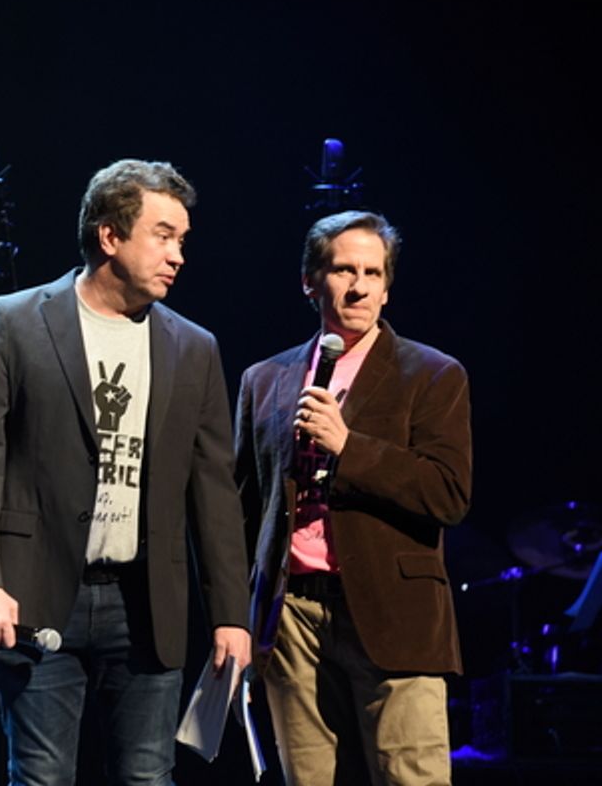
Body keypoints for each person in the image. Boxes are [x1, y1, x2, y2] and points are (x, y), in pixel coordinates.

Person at [0, 159, 250, 785]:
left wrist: (231, 613)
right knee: (43, 776)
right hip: (35, 594)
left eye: (182, 240)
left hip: (146, 603)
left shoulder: (194, 347)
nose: (178, 255)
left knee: (146, 777)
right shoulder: (12, 321)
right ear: (110, 235)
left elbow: (214, 491)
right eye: (163, 235)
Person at [235, 210, 471, 786]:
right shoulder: (264, 379)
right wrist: (239, 616)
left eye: (373, 272)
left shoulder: (433, 374)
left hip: (393, 614)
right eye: (344, 270)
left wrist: (349, 447)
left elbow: (448, 493)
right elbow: (242, 504)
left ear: (388, 288)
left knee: (409, 776)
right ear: (311, 282)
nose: (359, 285)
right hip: (291, 617)